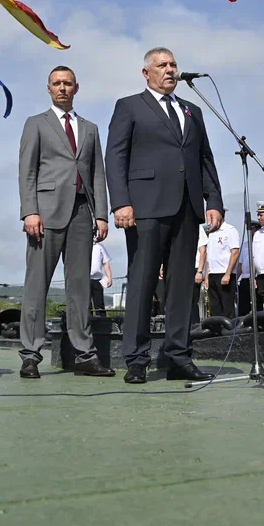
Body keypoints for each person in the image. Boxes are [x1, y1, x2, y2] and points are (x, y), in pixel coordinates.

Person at [106, 47, 224, 384]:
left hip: (186, 208)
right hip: (145, 209)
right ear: (146, 73)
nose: (170, 70)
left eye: (173, 64)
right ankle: (137, 360)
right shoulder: (129, 106)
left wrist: (213, 199)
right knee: (143, 284)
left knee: (182, 287)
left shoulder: (193, 110)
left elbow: (205, 159)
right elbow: (115, 157)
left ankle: (178, 357)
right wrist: (121, 203)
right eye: (162, 65)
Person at [17, 66, 114, 379]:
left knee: (79, 290)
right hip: (44, 215)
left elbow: (98, 173)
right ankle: (30, 356)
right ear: (48, 89)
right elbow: (27, 171)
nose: (62, 88)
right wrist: (29, 211)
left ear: (76, 88)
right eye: (57, 84)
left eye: (67, 84)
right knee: (36, 287)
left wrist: (101, 214)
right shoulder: (36, 124)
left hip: (82, 214)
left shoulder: (91, 128)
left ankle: (84, 355)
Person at [203, 217, 240, 318]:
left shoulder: (230, 230)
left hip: (224, 273)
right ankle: (217, 332)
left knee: (227, 307)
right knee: (215, 308)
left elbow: (235, 252)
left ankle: (229, 332)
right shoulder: (211, 232)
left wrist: (228, 274)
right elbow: (209, 256)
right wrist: (207, 276)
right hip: (212, 273)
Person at [89, 240, 112, 314]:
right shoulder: (82, 246)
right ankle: (87, 324)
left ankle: (102, 323)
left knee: (99, 305)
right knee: (86, 305)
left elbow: (106, 263)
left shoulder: (100, 247)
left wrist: (109, 277)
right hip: (85, 280)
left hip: (98, 280)